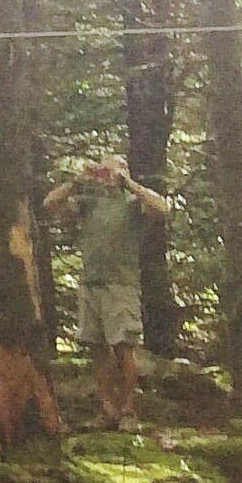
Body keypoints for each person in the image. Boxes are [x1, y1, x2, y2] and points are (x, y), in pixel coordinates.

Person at [43, 155, 172, 427]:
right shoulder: (89, 204)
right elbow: (50, 204)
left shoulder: (134, 205)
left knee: (124, 348)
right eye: (105, 168)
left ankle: (127, 410)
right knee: (98, 349)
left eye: (114, 168)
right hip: (91, 284)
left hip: (121, 285)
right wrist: (77, 182)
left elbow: (162, 209)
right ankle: (107, 409)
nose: (109, 174)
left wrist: (129, 184)